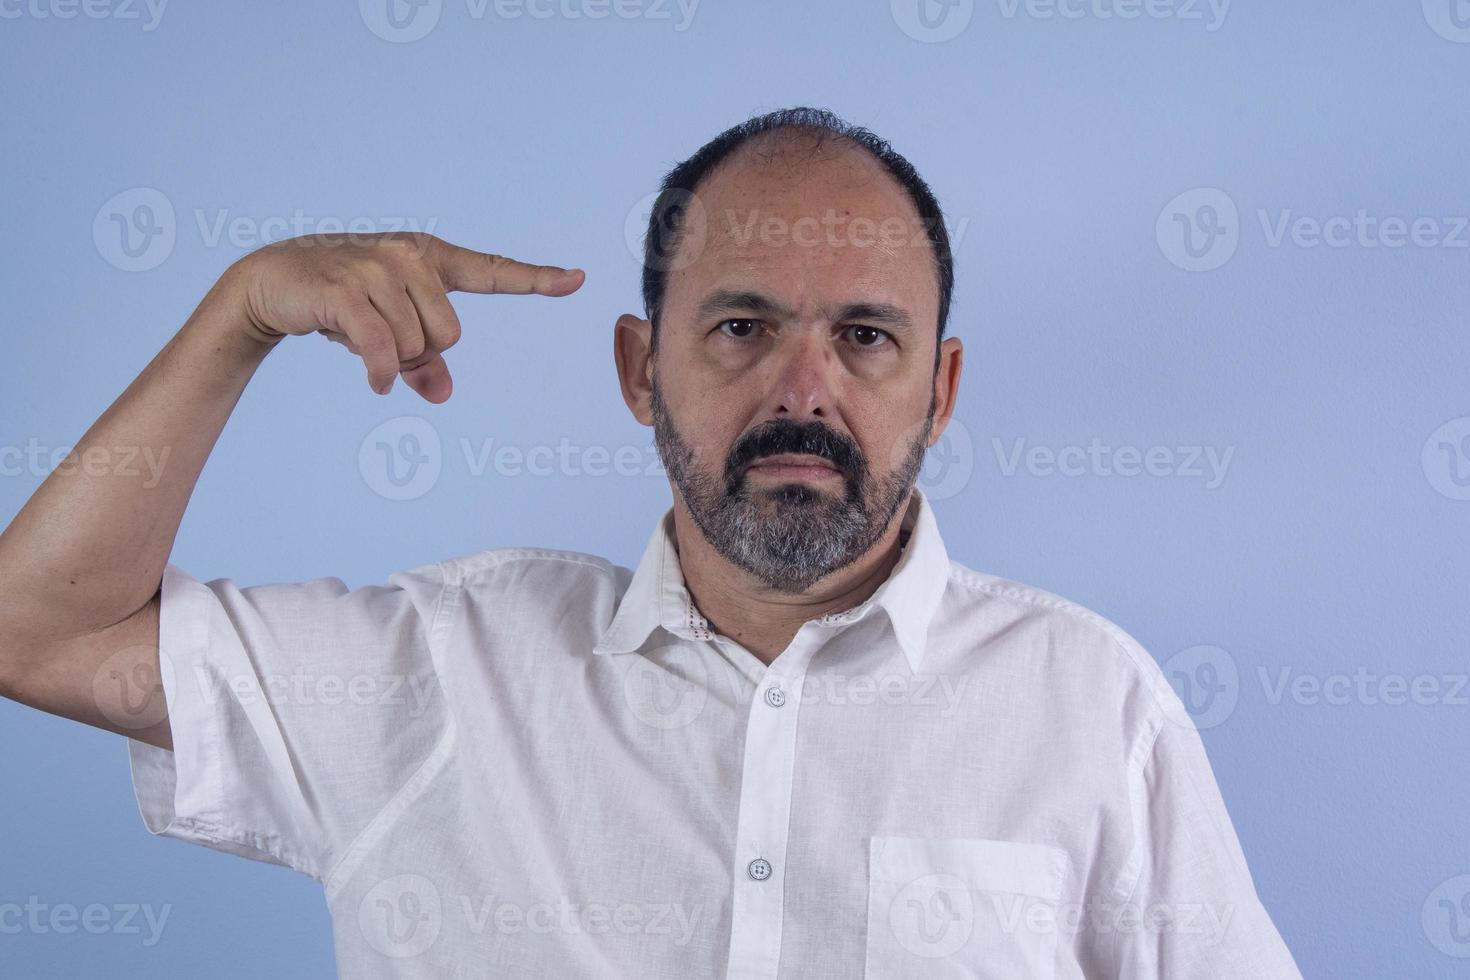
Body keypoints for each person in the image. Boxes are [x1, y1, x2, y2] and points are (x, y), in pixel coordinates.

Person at [0, 106, 1301, 978]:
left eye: (864, 336)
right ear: (639, 367)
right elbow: (37, 632)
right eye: (740, 327)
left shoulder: (1089, 707)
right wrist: (239, 316)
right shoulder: (431, 674)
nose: (804, 389)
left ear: (940, 389)